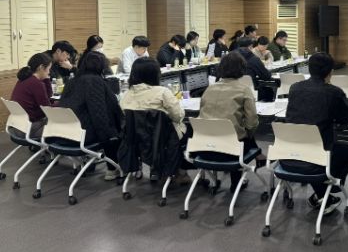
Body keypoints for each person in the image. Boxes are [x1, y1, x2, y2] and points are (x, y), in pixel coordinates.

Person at [283, 52, 348, 215]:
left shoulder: (295, 88)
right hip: (315, 158)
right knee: (347, 152)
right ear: (330, 72)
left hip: (288, 155)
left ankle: (323, 193)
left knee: (320, 151)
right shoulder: (333, 92)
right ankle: (327, 189)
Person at [120, 57, 190, 185]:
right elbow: (178, 116)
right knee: (187, 130)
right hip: (164, 140)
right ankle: (179, 171)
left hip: (138, 142)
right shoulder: (162, 92)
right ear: (155, 74)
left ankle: (159, 169)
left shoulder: (126, 95)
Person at [199, 52, 259, 191]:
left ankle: (216, 180)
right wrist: (249, 135)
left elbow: (202, 115)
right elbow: (252, 122)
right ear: (242, 69)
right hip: (232, 151)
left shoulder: (209, 89)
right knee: (241, 134)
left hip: (205, 149)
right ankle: (237, 182)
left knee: (230, 132)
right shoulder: (244, 90)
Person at [58, 52, 122, 181]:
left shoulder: (72, 81)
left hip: (63, 134)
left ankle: (92, 162)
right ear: (102, 66)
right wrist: (109, 136)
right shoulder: (95, 81)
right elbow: (99, 114)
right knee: (114, 130)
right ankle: (112, 169)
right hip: (82, 136)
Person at [10, 53, 53, 139]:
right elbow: (47, 110)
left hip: (16, 127)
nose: (49, 72)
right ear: (41, 67)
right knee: (61, 124)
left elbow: (47, 96)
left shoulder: (23, 79)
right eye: (48, 69)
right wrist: (60, 104)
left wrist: (46, 78)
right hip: (27, 129)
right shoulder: (36, 83)